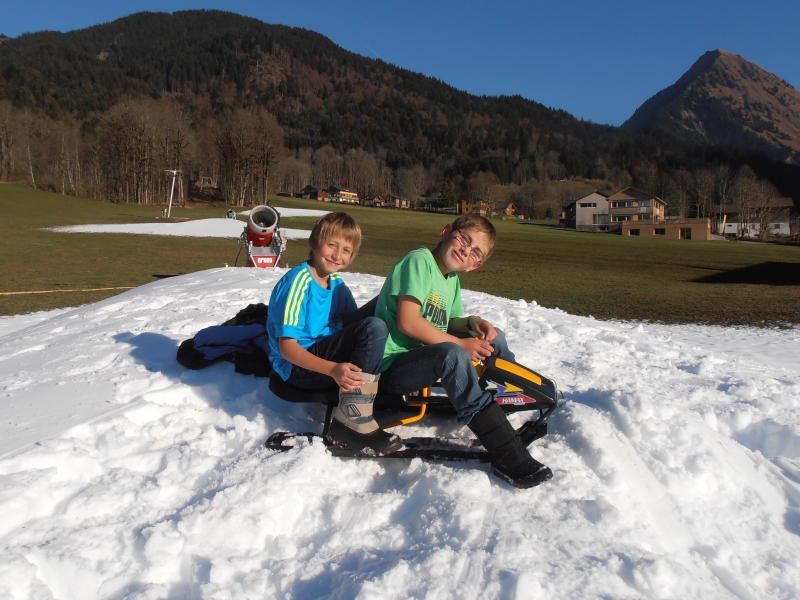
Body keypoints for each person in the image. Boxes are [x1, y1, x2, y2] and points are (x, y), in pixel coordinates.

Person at [375, 214, 553, 488]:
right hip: (391, 367)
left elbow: (445, 322)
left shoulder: (451, 279)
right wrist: (458, 344)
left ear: (475, 265)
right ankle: (506, 452)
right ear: (446, 231)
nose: (465, 250)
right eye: (463, 239)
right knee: (453, 354)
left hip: (422, 359)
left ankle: (509, 395)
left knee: (493, 338)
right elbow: (408, 321)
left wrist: (471, 323)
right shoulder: (419, 261)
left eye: (475, 252)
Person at [267, 212, 401, 455]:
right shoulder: (299, 282)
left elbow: (354, 323)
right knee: (374, 328)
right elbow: (287, 348)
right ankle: (350, 422)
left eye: (347, 251)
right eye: (332, 245)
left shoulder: (335, 283)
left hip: (324, 355)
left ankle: (366, 400)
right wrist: (332, 370)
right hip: (298, 367)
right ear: (315, 242)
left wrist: (392, 300)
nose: (338, 255)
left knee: (381, 316)